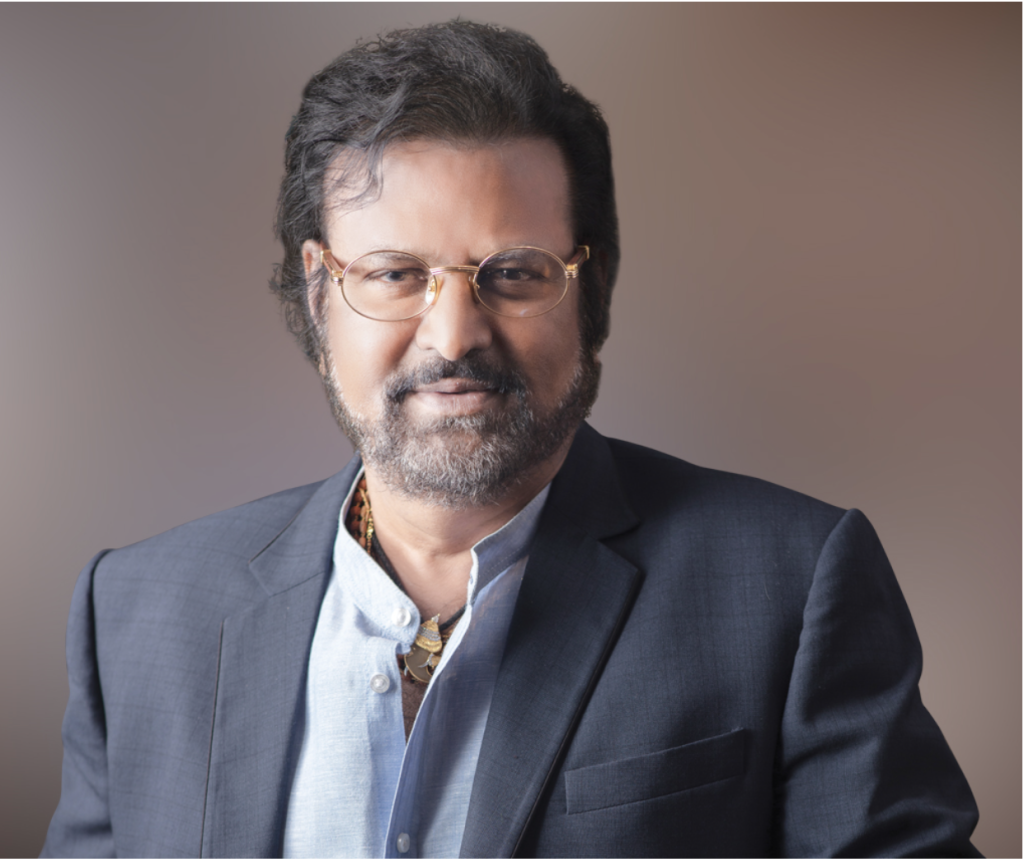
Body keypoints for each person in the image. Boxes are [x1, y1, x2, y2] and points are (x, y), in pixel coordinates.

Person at [42, 20, 980, 858]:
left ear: (590, 290)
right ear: (321, 293)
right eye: (395, 273)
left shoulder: (791, 585)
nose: (454, 337)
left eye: (515, 273)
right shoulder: (137, 613)